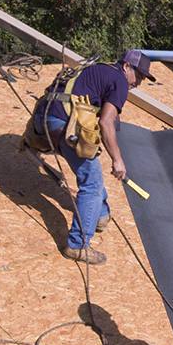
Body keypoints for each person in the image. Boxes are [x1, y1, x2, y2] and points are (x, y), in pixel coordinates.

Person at [26, 50, 155, 265]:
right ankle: (77, 246)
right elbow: (106, 123)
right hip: (62, 124)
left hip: (42, 120)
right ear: (126, 67)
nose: (139, 82)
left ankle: (100, 217)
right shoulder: (120, 81)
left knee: (91, 173)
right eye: (139, 76)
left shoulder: (99, 69)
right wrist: (117, 159)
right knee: (92, 185)